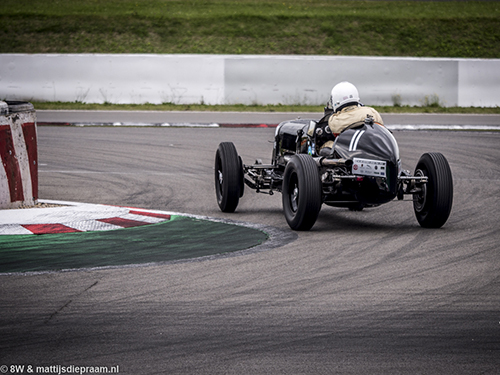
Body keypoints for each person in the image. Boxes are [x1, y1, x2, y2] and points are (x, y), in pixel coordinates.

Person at [313, 81, 384, 156]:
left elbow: (335, 130)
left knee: (327, 145)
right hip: (375, 149)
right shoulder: (372, 112)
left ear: (336, 100)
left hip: (353, 152)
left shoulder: (336, 120)